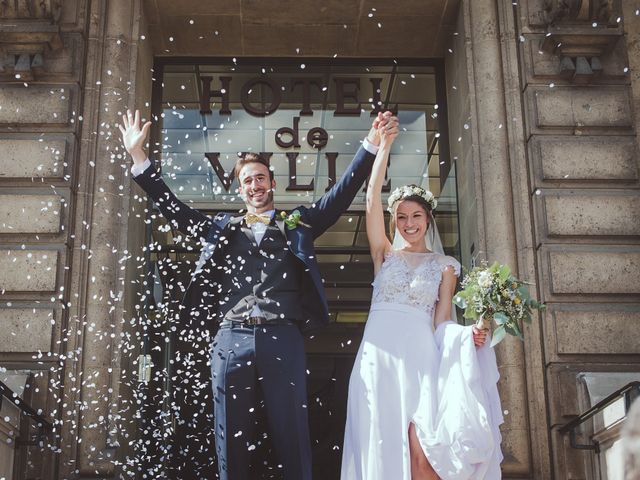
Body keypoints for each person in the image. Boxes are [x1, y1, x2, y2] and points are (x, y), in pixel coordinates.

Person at [119, 109, 399, 480]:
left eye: (261, 178)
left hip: (282, 336)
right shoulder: (221, 229)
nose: (255, 185)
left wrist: (371, 144)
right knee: (229, 435)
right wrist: (139, 156)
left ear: (272, 183)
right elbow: (174, 209)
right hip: (230, 339)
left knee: (292, 432)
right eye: (248, 180)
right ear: (240, 188)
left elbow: (341, 194)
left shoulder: (296, 225)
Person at [341, 121, 504, 479]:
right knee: (378, 442)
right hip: (377, 359)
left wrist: (470, 334)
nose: (408, 223)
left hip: (421, 358)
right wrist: (383, 145)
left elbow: (442, 319)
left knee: (425, 450)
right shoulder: (383, 254)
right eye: (401, 217)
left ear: (427, 219)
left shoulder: (445, 266)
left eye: (415, 216)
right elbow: (370, 199)